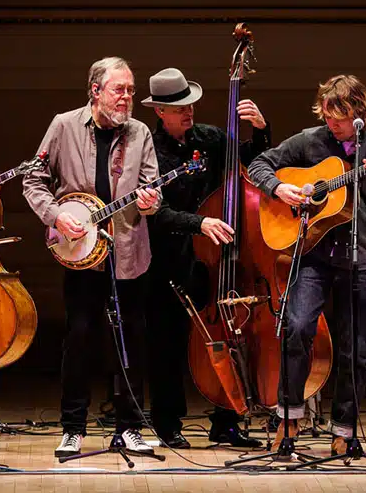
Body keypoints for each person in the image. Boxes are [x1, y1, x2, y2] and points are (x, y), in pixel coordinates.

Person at [248, 74, 366, 451]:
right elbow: (259, 165)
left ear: (358, 113)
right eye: (326, 115)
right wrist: (279, 187)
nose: (331, 124)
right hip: (313, 254)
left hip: (360, 257)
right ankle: (288, 418)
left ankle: (345, 431)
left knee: (356, 348)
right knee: (297, 327)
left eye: (338, 117)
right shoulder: (310, 140)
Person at [23, 56, 161, 458]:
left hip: (129, 251)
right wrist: (56, 216)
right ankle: (73, 427)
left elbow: (152, 187)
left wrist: (152, 201)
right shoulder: (63, 125)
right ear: (96, 91)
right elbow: (34, 179)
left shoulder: (140, 133)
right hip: (81, 252)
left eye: (131, 90)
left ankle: (130, 427)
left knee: (130, 338)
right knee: (80, 337)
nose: (127, 97)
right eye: (119, 89)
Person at [142, 67, 269, 449]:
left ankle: (227, 421)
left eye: (190, 105)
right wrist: (200, 223)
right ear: (160, 112)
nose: (188, 112)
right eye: (179, 108)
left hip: (218, 261)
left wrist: (260, 129)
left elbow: (252, 161)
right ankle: (168, 425)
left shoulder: (212, 138)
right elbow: (155, 211)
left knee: (229, 335)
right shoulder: (148, 148)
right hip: (168, 257)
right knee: (166, 345)